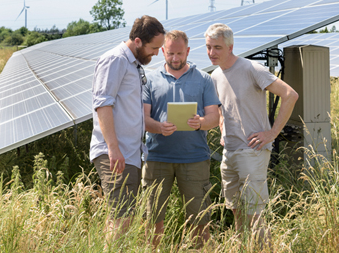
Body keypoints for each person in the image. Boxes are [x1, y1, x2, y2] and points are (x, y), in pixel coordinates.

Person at [204, 23, 299, 249]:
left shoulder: (251, 69)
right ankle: (243, 247)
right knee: (236, 210)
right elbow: (222, 107)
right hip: (230, 151)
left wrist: (272, 133)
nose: (211, 53)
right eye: (208, 47)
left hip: (252, 150)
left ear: (230, 47)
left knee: (253, 213)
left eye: (217, 47)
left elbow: (290, 95)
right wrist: (223, 130)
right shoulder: (215, 75)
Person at [142, 30, 221, 249]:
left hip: (194, 158)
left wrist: (201, 123)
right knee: (152, 218)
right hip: (157, 157)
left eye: (179, 53)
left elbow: (214, 117)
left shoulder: (204, 79)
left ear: (187, 51)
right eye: (170, 54)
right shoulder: (150, 79)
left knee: (199, 219)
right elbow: (143, 118)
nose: (175, 58)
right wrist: (159, 127)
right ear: (163, 52)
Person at [89, 15, 166, 240]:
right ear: (139, 41)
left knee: (120, 217)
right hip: (115, 153)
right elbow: (102, 104)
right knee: (122, 219)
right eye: (154, 48)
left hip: (128, 153)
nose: (156, 53)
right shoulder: (115, 60)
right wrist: (113, 149)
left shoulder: (132, 63)